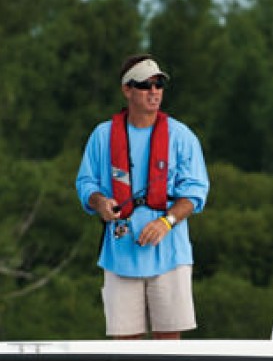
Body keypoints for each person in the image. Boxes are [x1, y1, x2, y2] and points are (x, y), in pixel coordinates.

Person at [76, 54, 210, 339]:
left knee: (169, 343)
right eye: (145, 85)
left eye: (159, 84)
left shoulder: (181, 135)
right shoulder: (102, 135)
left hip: (171, 254)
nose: (154, 92)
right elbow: (85, 183)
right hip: (120, 253)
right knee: (125, 344)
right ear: (127, 90)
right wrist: (99, 201)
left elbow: (196, 192)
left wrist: (167, 221)